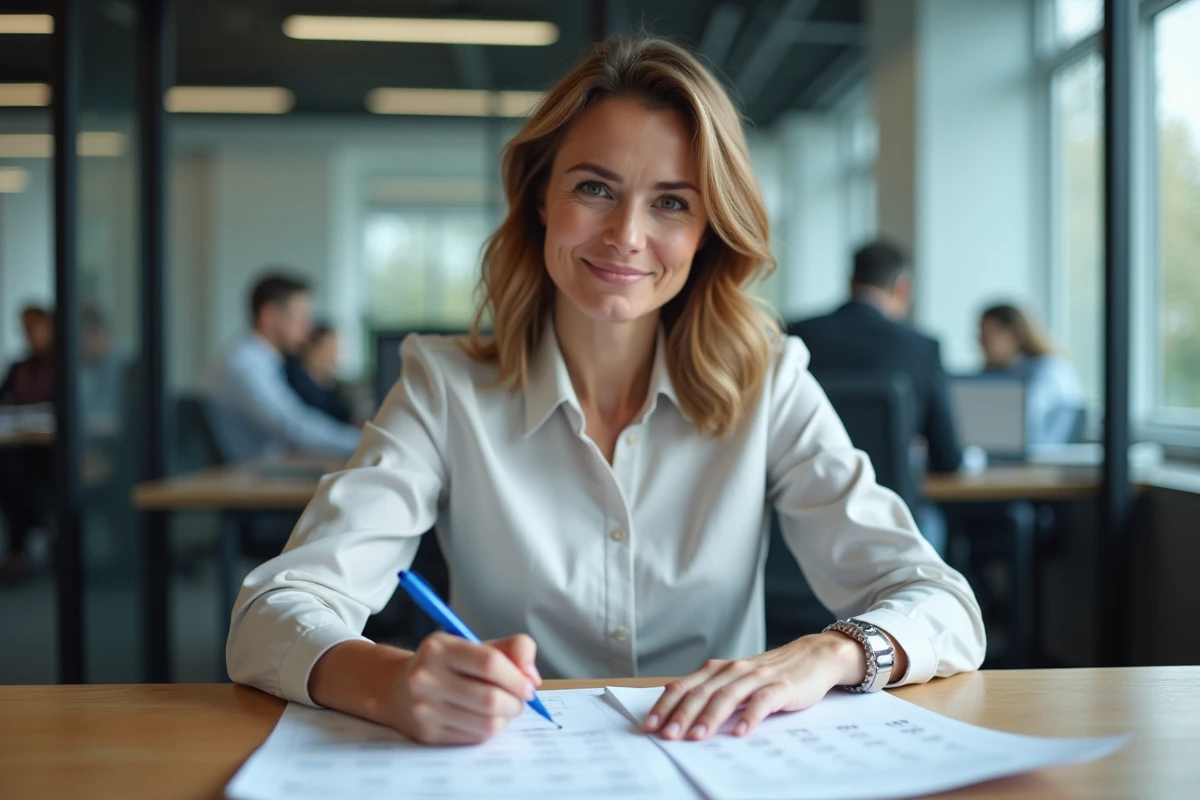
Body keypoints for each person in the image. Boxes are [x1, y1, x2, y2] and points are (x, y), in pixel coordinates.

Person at [227, 36, 984, 748]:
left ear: (707, 231)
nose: (626, 235)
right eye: (595, 188)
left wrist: (830, 652)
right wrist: (390, 682)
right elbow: (268, 616)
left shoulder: (769, 379)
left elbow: (944, 606)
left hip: (719, 765)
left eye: (672, 202)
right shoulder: (444, 385)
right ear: (539, 199)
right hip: (514, 768)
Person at [206, 274, 361, 461]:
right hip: (247, 479)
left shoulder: (266, 362)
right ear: (269, 315)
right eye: (300, 320)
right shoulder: (244, 365)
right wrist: (362, 441)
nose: (307, 331)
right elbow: (292, 426)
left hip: (267, 470)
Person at [0, 306, 56, 581]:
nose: (30, 334)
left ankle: (20, 550)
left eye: (35, 327)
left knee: (17, 471)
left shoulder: (64, 365)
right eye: (25, 329)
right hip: (20, 446)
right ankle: (39, 529)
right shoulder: (18, 368)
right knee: (8, 468)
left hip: (51, 451)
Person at [979, 303, 1084, 446]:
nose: (981, 343)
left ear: (1014, 334)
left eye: (988, 336)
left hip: (1045, 457)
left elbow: (1024, 421)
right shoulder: (999, 373)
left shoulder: (1049, 370)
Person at [285, 324, 353, 425]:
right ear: (315, 348)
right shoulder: (297, 377)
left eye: (335, 349)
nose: (333, 355)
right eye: (329, 348)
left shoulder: (331, 384)